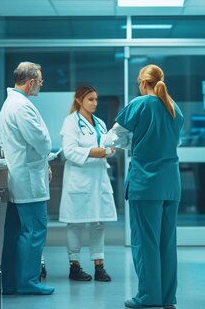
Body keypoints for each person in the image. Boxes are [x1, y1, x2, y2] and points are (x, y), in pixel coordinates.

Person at [105, 64, 183, 309]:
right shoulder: (174, 108)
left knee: (146, 242)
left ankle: (149, 296)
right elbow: (170, 141)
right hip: (171, 183)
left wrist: (130, 141)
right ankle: (167, 297)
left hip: (146, 183)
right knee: (167, 243)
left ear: (142, 82)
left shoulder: (139, 104)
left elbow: (111, 138)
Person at [0, 61, 54, 295]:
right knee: (34, 230)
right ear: (31, 82)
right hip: (28, 178)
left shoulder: (10, 104)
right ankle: (28, 282)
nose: (40, 85)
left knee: (15, 231)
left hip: (20, 175)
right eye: (40, 82)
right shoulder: (21, 106)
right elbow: (40, 140)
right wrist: (47, 154)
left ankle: (10, 282)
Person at [59, 85, 117, 282]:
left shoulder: (100, 122)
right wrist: (94, 152)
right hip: (79, 180)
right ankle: (74, 266)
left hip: (98, 180)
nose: (95, 103)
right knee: (75, 224)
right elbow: (68, 151)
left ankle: (99, 266)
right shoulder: (71, 122)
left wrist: (108, 150)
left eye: (96, 99)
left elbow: (108, 144)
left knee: (98, 222)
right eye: (90, 99)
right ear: (79, 100)